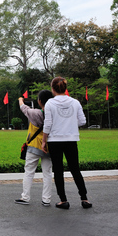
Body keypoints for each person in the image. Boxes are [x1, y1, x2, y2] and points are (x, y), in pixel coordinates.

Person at [42, 77, 92, 209]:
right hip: (71, 139)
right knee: (75, 169)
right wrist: (69, 123)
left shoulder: (50, 104)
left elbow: (47, 125)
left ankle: (63, 201)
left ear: (53, 89)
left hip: (55, 141)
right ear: (65, 88)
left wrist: (43, 141)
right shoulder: (75, 102)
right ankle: (84, 199)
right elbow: (82, 121)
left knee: (58, 171)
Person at [15, 90, 54, 206]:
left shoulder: (35, 113)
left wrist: (21, 100)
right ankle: (46, 199)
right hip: (48, 146)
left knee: (29, 172)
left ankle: (25, 197)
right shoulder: (53, 114)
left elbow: (24, 108)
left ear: (40, 101)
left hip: (33, 146)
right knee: (47, 173)